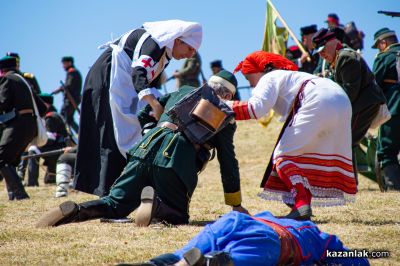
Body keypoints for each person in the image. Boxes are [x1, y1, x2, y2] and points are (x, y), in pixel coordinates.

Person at [36, 71, 248, 228]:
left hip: (144, 149)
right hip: (175, 160)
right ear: (228, 96)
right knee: (178, 217)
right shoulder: (225, 119)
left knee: (115, 203)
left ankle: (78, 210)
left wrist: (148, 131)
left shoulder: (183, 92)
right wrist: (235, 203)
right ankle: (155, 207)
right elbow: (228, 163)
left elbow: (146, 111)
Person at [74, 20, 202, 197]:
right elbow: (138, 73)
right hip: (110, 77)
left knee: (137, 133)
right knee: (115, 134)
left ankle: (130, 193)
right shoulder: (154, 43)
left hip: (125, 85)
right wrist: (155, 105)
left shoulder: (165, 52)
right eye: (190, 49)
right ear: (178, 40)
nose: (190, 55)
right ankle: (109, 200)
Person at [230, 51, 357, 220]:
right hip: (341, 99)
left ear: (259, 70)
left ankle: (301, 204)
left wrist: (221, 106)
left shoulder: (269, 77)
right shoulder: (293, 76)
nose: (252, 86)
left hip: (316, 99)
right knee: (300, 156)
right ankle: (300, 203)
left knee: (282, 157)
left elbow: (256, 109)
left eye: (249, 78)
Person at [125, 211, 369, 266]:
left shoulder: (292, 220)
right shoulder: (318, 237)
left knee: (180, 255)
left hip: (233, 221)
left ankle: (151, 264)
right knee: (230, 261)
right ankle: (215, 262)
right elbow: (355, 258)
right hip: (271, 241)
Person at [313, 28, 386, 149]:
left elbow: (349, 93)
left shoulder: (346, 57)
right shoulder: (339, 56)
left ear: (332, 42)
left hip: (364, 104)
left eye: (322, 49)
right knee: (344, 142)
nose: (321, 54)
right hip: (359, 103)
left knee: (345, 142)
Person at [0, 56, 47, 200]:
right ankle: (12, 195)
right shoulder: (24, 81)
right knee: (11, 160)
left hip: (18, 124)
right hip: (30, 125)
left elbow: (2, 103)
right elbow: (43, 108)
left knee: (1, 157)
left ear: (3, 70)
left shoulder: (7, 79)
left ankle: (20, 195)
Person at [372, 27, 400, 190]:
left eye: (378, 46)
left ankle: (394, 187)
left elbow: (374, 85)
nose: (379, 49)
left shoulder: (384, 57)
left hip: (394, 109)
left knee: (387, 149)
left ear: (383, 42)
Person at [23, 93, 69, 186]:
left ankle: (32, 183)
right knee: (49, 181)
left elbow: (50, 139)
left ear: (46, 104)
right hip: (57, 147)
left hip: (58, 149)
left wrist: (34, 143)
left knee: (33, 149)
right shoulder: (54, 115)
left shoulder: (50, 117)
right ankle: (51, 176)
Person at [52, 56, 82, 133]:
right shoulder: (74, 72)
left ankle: (66, 136)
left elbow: (68, 85)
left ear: (69, 63)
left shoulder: (72, 72)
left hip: (70, 100)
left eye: (64, 64)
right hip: (74, 99)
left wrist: (59, 89)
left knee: (62, 117)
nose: (63, 66)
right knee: (69, 120)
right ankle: (80, 134)